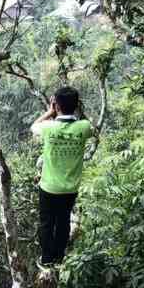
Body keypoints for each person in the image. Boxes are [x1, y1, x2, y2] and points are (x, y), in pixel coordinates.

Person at [31, 86, 93, 267]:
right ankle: (59, 258)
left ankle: (46, 259)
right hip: (70, 188)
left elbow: (33, 126)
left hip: (49, 187)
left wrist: (50, 112)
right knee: (64, 221)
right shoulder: (83, 127)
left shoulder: (49, 127)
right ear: (76, 105)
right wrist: (77, 109)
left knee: (46, 223)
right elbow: (90, 125)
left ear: (56, 105)